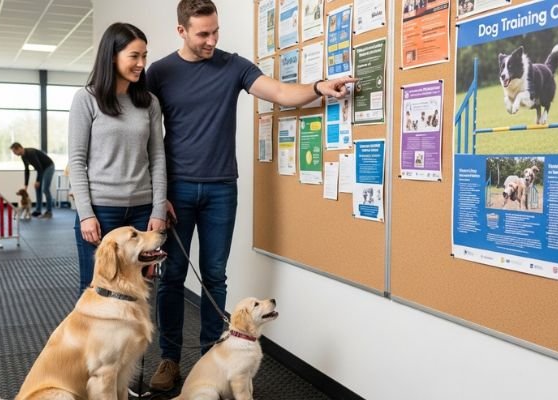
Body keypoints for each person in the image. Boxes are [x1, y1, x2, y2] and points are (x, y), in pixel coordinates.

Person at [146, 0, 357, 391]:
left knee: (214, 276)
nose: (211, 40)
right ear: (181, 32)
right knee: (173, 275)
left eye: (215, 31)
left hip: (222, 187)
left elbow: (277, 92)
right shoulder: (159, 73)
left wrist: (316, 88)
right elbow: (142, 132)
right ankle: (169, 359)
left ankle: (214, 354)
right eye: (202, 34)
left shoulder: (233, 66)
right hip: (175, 190)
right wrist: (156, 194)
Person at [68, 22, 167, 293]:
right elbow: (76, 161)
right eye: (134, 56)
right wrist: (86, 214)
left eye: (144, 56)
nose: (141, 63)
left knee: (140, 290)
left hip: (142, 210)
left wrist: (158, 209)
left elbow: (157, 158)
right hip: (101, 211)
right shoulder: (86, 99)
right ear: (112, 56)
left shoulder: (149, 102)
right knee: (97, 291)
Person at [9, 143, 55, 218]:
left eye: (14, 152)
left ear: (19, 148)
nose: (14, 154)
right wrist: (25, 185)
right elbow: (27, 170)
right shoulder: (23, 157)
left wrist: (38, 180)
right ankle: (38, 210)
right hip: (42, 169)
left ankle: (49, 212)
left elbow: (39, 168)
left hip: (49, 167)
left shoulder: (30, 153)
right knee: (37, 188)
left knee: (45, 189)